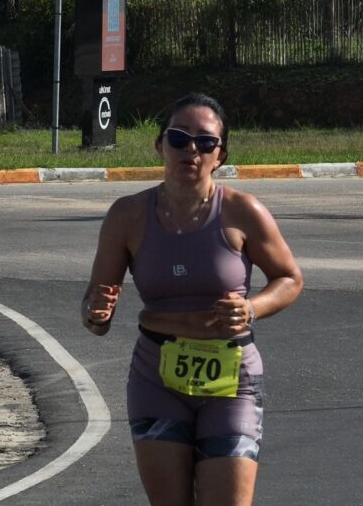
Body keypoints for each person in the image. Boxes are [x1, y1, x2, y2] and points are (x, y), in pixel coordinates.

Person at [81, 93, 304, 505]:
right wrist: (96, 314)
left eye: (206, 142)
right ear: (159, 145)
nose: (192, 150)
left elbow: (289, 278)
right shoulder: (127, 215)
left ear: (220, 156)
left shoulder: (243, 211)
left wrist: (251, 308)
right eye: (179, 138)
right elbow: (96, 309)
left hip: (231, 378)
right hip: (156, 378)